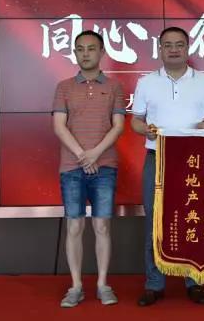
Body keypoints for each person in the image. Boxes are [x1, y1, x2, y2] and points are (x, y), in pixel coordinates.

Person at [131, 26, 204, 306]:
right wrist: (145, 129)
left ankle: (194, 282)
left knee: (192, 219)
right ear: (160, 49)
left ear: (187, 48)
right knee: (155, 221)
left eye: (179, 44)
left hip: (193, 160)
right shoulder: (147, 82)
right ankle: (154, 283)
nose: (173, 49)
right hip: (157, 158)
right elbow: (135, 121)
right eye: (167, 45)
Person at [52, 30, 126, 308]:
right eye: (80, 49)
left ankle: (103, 284)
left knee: (102, 225)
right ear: (75, 53)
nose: (85, 54)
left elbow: (118, 126)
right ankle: (76, 286)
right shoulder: (64, 87)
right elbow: (59, 126)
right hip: (71, 166)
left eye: (91, 48)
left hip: (104, 165)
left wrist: (95, 154)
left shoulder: (115, 87)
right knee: (74, 226)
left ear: (102, 52)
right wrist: (82, 155)